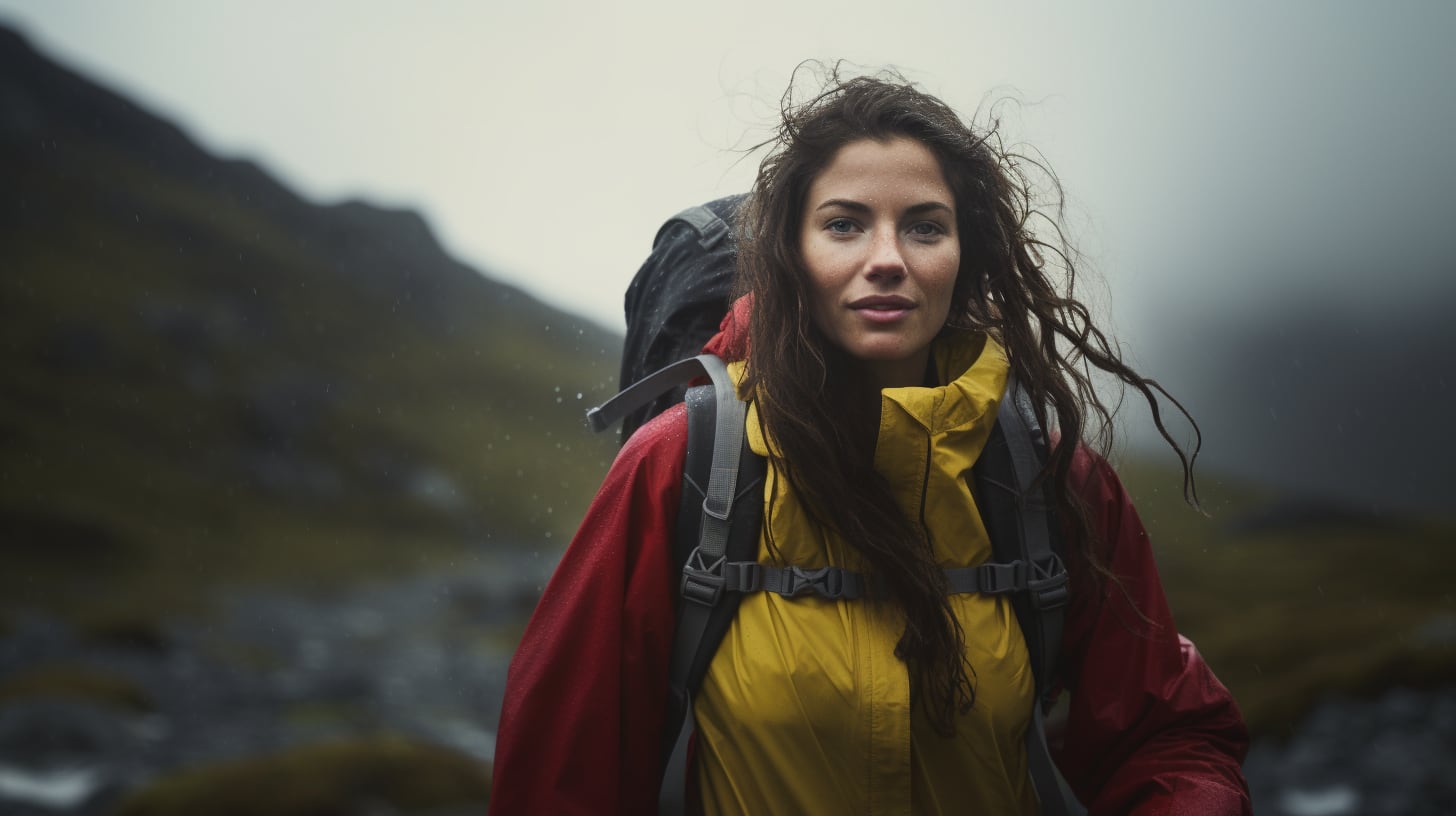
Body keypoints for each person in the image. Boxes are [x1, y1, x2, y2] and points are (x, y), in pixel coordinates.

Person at [488, 68, 1251, 815]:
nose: (886, 258)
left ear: (965, 256)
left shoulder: (1049, 480)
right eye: (845, 224)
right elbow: (561, 778)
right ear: (792, 256)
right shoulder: (678, 466)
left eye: (924, 226)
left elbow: (1168, 738)